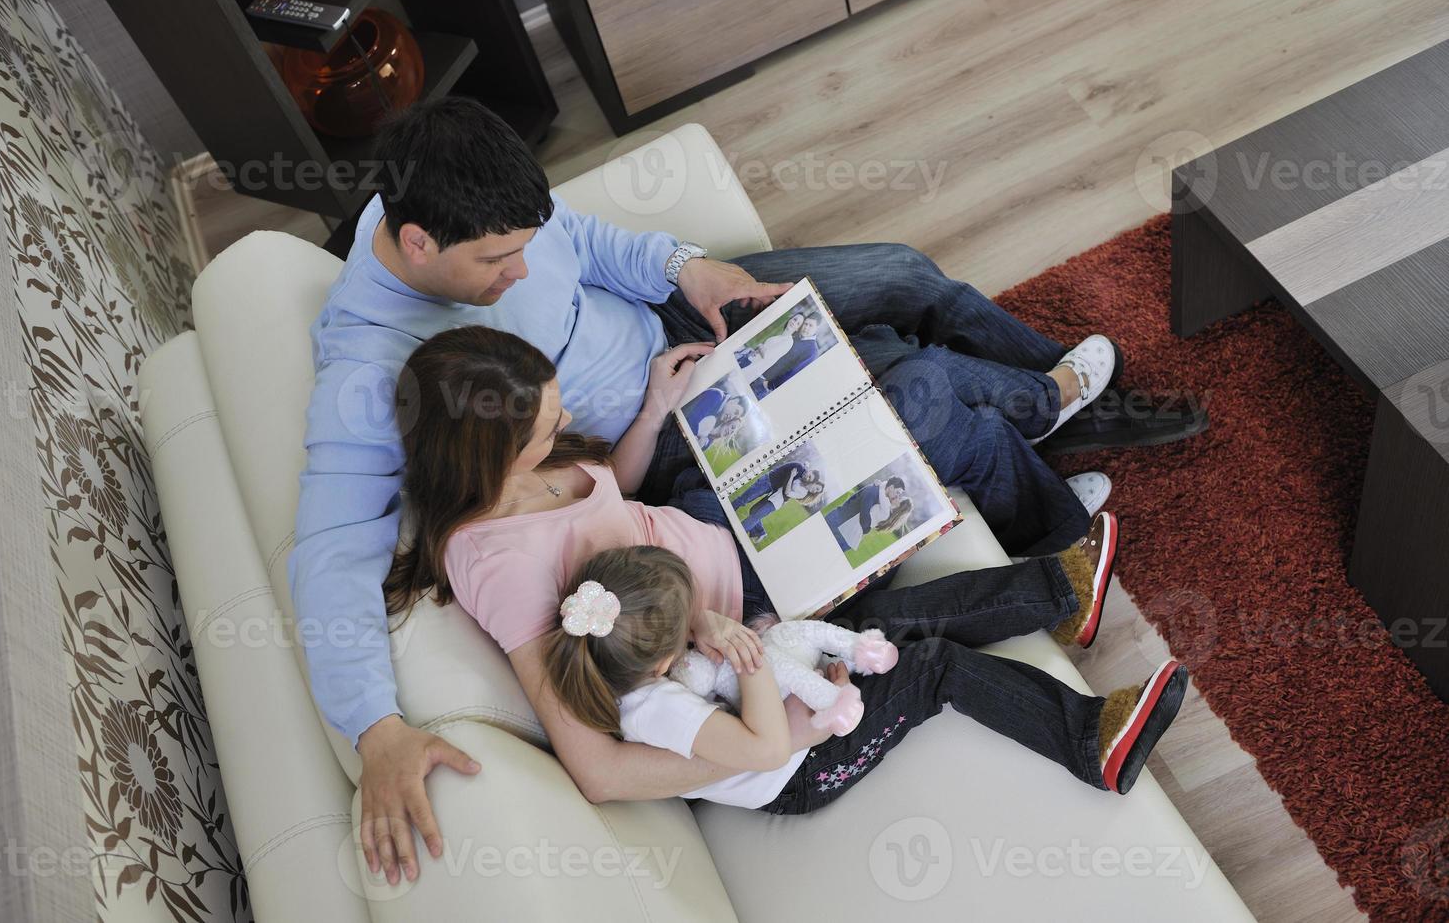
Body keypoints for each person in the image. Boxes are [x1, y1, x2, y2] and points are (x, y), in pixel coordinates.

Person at [287, 96, 1177, 880]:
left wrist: (688, 269)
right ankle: (1044, 442)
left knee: (900, 273)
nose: (522, 271)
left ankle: (1056, 405)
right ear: (417, 246)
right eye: (501, 262)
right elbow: (329, 554)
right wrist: (375, 728)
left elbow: (588, 244)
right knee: (912, 388)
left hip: (671, 339)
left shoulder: (456, 191)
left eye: (525, 246)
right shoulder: (369, 374)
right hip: (680, 453)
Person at [386, 326, 1186, 822]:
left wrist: (656, 413)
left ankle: (1059, 577)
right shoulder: (495, 563)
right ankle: (1062, 582)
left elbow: (615, 495)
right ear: (485, 450)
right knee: (922, 402)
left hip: (715, 534)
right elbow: (596, 769)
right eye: (544, 424)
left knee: (904, 389)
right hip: (757, 602)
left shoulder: (530, 462)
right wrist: (759, 741)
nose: (563, 423)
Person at [545, 545, 1188, 814]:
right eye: (688, 623)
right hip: (801, 770)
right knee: (930, 666)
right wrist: (755, 658)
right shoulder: (659, 711)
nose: (699, 627)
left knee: (880, 623)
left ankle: (1056, 595)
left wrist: (766, 654)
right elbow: (768, 744)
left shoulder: (634, 669)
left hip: (790, 712)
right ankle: (1088, 741)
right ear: (660, 660)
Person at [734, 461, 824, 543]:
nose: (808, 478)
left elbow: (787, 492)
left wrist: (792, 477)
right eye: (816, 488)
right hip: (770, 486)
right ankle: (759, 532)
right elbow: (802, 469)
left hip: (776, 500)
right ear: (815, 482)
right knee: (753, 510)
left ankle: (737, 533)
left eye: (816, 491)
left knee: (754, 515)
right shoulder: (800, 472)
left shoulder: (803, 491)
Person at [825, 477, 907, 552]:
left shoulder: (882, 497)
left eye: (900, 494)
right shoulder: (873, 492)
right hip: (838, 524)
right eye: (897, 492)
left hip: (845, 531)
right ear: (891, 487)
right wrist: (866, 530)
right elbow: (864, 520)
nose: (898, 496)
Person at [757, 314, 824, 393]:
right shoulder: (796, 337)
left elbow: (794, 373)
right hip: (758, 372)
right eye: (805, 324)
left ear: (817, 328)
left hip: (765, 385)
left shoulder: (812, 351)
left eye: (811, 325)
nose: (806, 327)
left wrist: (770, 385)